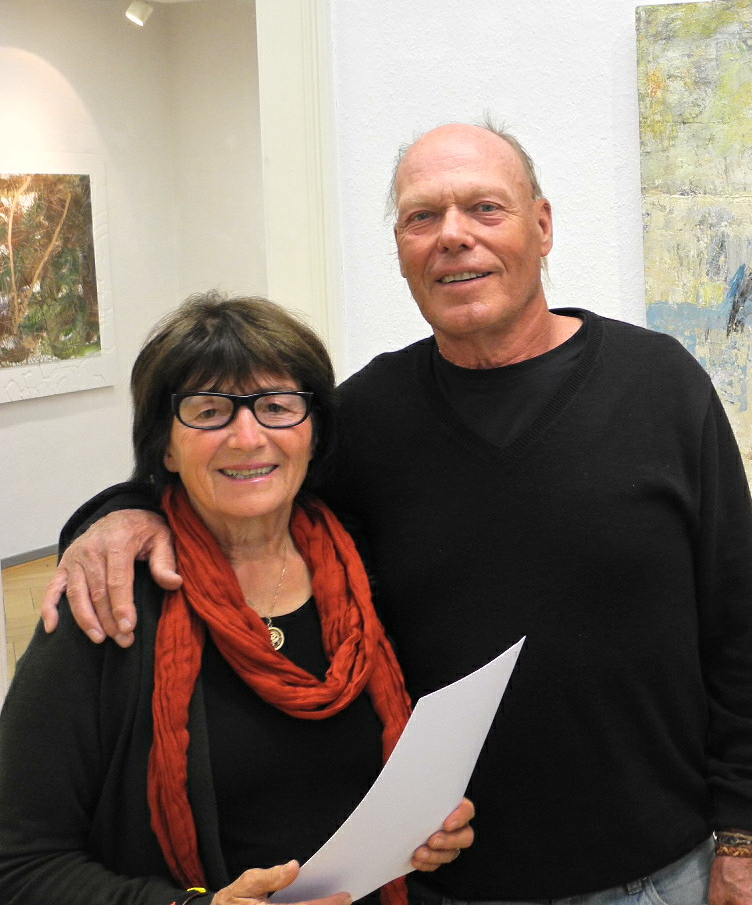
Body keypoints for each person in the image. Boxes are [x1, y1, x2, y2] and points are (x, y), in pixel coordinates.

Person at [44, 122, 752, 905]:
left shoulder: (659, 386)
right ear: (402, 249)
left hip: (662, 875)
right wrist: (121, 511)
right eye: (422, 217)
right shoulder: (364, 420)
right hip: (445, 884)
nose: (453, 236)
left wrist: (747, 837)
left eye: (485, 208)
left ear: (542, 226)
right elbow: (239, 474)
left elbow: (741, 625)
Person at [0, 293, 474, 905]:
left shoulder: (365, 568)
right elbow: (19, 864)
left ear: (314, 433)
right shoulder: (106, 603)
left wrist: (424, 828)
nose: (247, 437)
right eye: (210, 411)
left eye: (276, 406)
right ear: (165, 447)